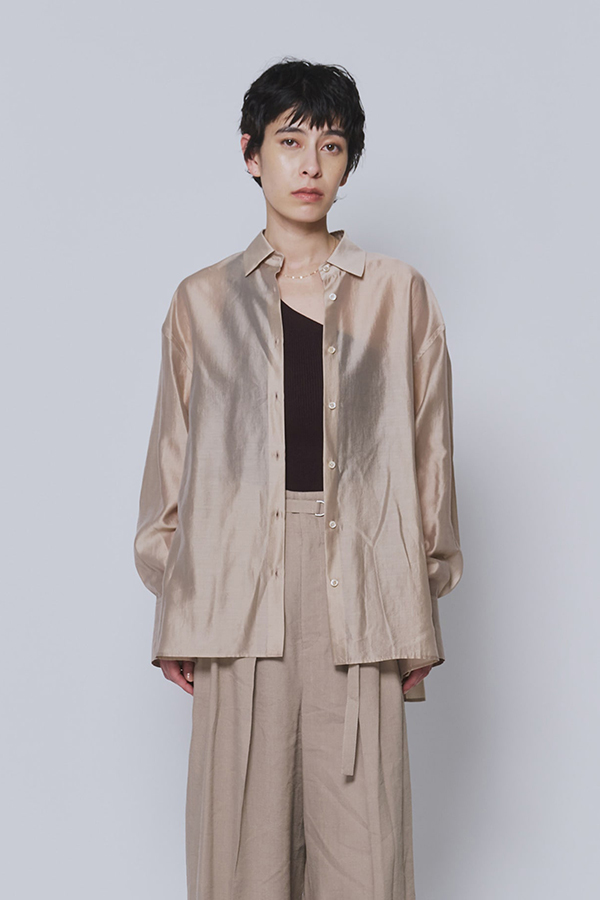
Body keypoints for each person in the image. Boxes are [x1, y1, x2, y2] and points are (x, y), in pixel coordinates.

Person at [134, 57, 464, 900]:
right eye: (290, 141)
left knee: (366, 858)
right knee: (240, 859)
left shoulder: (399, 296)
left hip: (365, 590)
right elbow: (171, 465)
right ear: (251, 153)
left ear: (349, 163)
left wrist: (417, 609)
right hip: (235, 593)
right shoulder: (202, 302)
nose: (311, 164)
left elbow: (430, 460)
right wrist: (178, 606)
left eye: (332, 144)